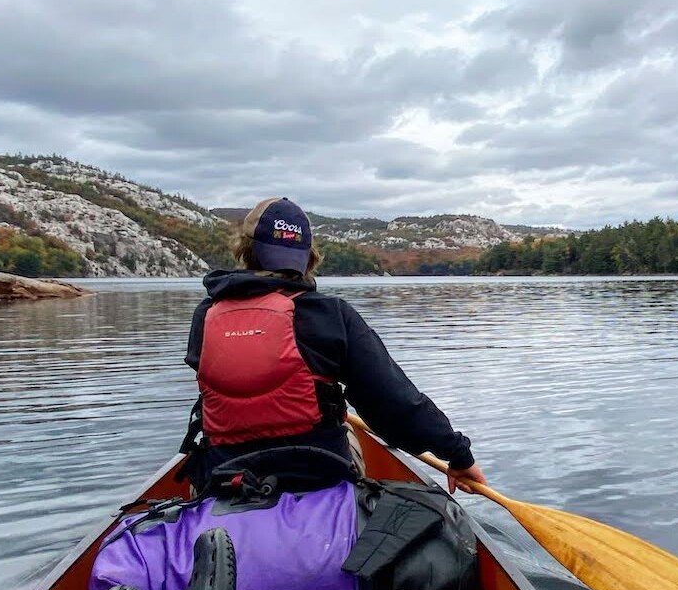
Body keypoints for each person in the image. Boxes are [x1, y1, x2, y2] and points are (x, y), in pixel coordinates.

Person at [181, 197, 483, 494]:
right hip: (318, 478)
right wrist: (458, 454)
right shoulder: (330, 315)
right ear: (308, 257)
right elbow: (395, 404)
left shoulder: (206, 315)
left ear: (246, 252)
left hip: (227, 479)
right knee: (351, 431)